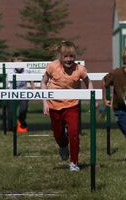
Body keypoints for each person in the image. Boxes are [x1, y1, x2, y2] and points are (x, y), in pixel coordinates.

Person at [41, 41, 93, 171]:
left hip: (72, 105)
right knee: (58, 135)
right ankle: (63, 146)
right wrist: (45, 102)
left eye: (71, 57)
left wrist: (92, 98)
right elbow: (43, 83)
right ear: (61, 57)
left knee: (74, 133)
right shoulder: (52, 66)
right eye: (66, 57)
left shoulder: (79, 69)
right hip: (54, 105)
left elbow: (88, 82)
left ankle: (74, 162)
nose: (69, 60)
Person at [7, 53, 35, 133]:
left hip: (24, 92)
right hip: (12, 93)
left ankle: (21, 122)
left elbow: (31, 79)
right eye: (16, 61)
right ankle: (11, 128)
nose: (19, 63)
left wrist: (33, 88)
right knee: (11, 111)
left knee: (23, 109)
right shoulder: (10, 70)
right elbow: (7, 84)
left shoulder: (26, 69)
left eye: (20, 61)